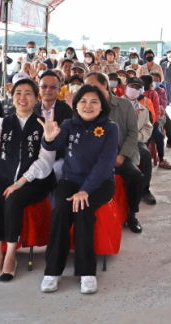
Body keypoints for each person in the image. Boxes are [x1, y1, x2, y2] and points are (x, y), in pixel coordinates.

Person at [0, 78, 56, 282]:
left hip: (33, 182)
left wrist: (20, 182)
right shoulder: (3, 122)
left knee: (13, 201)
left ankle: (10, 256)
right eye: (18, 93)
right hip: (0, 178)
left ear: (37, 98)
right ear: (12, 97)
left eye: (28, 93)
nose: (22, 97)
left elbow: (46, 161)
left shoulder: (44, 124)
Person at [39, 85, 118, 294]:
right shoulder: (68, 125)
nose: (88, 106)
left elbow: (105, 164)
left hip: (100, 183)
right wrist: (47, 138)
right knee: (61, 210)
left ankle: (87, 272)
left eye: (94, 102)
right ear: (76, 105)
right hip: (71, 179)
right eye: (83, 101)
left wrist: (86, 190)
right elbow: (52, 146)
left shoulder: (110, 128)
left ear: (102, 106)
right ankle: (53, 270)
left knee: (83, 210)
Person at [84, 73, 145, 233]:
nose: (89, 88)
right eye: (87, 85)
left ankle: (132, 215)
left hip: (119, 153)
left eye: (92, 84)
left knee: (136, 177)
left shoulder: (124, 105)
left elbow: (133, 133)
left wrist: (122, 155)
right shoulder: (86, 105)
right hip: (94, 156)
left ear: (105, 84)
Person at [124, 77, 158, 205]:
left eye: (137, 88)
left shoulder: (143, 108)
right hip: (117, 141)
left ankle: (145, 190)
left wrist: (136, 137)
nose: (134, 90)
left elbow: (148, 128)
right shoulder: (115, 104)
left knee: (145, 154)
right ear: (126, 87)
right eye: (132, 87)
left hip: (136, 141)